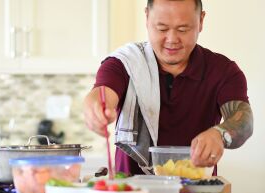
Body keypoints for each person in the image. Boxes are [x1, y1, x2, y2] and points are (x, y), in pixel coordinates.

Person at [83, 0, 253, 175]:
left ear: (201, 21)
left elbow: (244, 121)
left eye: (183, 29)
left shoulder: (223, 70)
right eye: (162, 28)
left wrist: (220, 133)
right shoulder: (124, 64)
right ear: (147, 18)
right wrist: (95, 108)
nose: (172, 40)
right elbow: (103, 94)